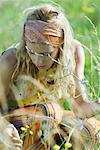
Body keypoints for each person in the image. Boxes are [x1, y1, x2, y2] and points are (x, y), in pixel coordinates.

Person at [0, 3, 99, 150]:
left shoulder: (73, 53)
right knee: (50, 111)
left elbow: (80, 108)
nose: (39, 60)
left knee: (91, 129)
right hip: (10, 130)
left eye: (47, 54)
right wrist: (4, 129)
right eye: (32, 52)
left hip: (46, 124)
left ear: (62, 45)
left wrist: (96, 106)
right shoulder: (12, 60)